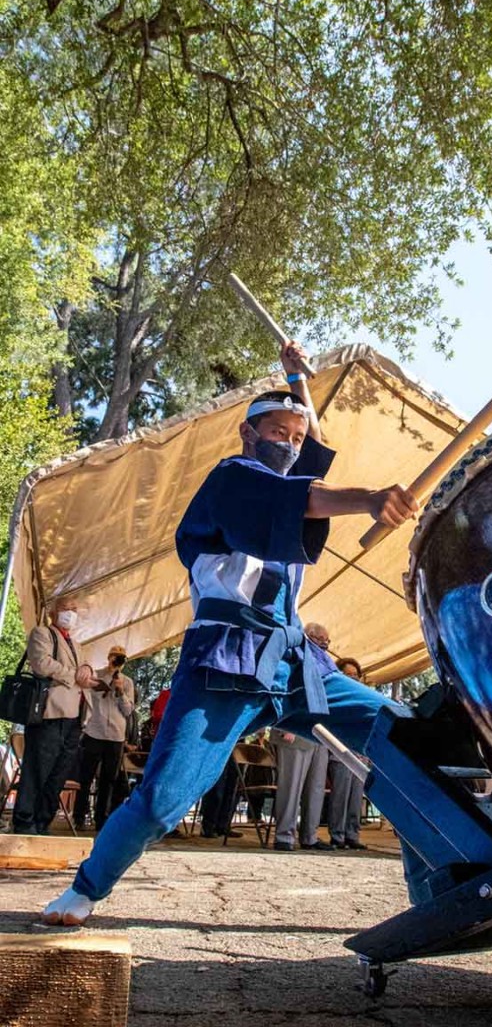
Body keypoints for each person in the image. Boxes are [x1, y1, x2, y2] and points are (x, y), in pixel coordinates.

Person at [42, 339, 418, 925]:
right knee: (164, 799)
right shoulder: (233, 478)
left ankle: (443, 884)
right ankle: (85, 889)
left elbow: (311, 455)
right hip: (228, 659)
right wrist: (369, 498)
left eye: (294, 438)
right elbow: (291, 494)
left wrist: (299, 386)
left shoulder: (291, 475)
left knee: (403, 738)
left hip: (294, 663)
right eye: (277, 433)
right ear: (248, 434)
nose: (289, 444)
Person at [13, 599, 100, 835]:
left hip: (75, 717)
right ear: (53, 612)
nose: (70, 613)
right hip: (50, 713)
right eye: (66, 609)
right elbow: (41, 664)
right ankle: (24, 821)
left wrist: (89, 672)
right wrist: (75, 676)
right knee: (38, 768)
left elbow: (86, 668)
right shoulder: (42, 633)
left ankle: (43, 821)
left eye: (74, 609)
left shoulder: (77, 644)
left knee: (59, 773)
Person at [271, 622, 333, 852]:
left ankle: (310, 836)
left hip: (320, 733)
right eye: (322, 640)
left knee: (316, 788)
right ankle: (284, 836)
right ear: (310, 637)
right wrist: (285, 724)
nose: (326, 645)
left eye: (328, 641)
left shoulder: (324, 662)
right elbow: (281, 689)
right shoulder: (292, 656)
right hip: (294, 730)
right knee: (291, 786)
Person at [74, 646, 135, 832]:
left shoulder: (127, 682)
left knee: (109, 779)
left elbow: (128, 711)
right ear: (108, 657)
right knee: (85, 777)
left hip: (116, 735)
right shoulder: (97, 675)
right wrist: (107, 679)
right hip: (95, 731)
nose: (117, 662)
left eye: (121, 659)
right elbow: (88, 695)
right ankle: (79, 816)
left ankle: (102, 818)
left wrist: (120, 692)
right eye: (115, 658)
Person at [327, 658, 368, 851]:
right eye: (348, 675)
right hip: (341, 753)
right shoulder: (338, 696)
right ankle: (337, 835)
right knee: (340, 796)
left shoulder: (364, 696)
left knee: (356, 797)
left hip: (360, 755)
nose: (353, 678)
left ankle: (353, 834)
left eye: (355, 675)